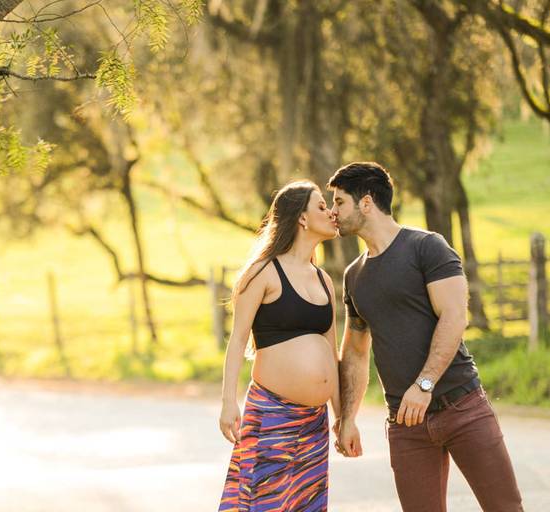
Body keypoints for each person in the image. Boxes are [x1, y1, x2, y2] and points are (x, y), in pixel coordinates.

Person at [328, 162, 523, 511]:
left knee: (505, 508)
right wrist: (347, 418)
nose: (333, 212)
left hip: (461, 407)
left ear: (366, 202)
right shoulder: (354, 276)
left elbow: (454, 315)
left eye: (340, 202)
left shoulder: (426, 247)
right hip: (405, 424)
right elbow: (355, 351)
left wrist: (425, 384)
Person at [217, 180, 341, 511]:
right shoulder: (263, 272)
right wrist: (229, 403)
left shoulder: (324, 280)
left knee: (307, 505)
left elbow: (331, 354)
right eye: (320, 206)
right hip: (272, 414)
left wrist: (343, 418)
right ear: (301, 218)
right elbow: (238, 340)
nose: (330, 212)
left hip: (314, 422)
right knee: (265, 503)